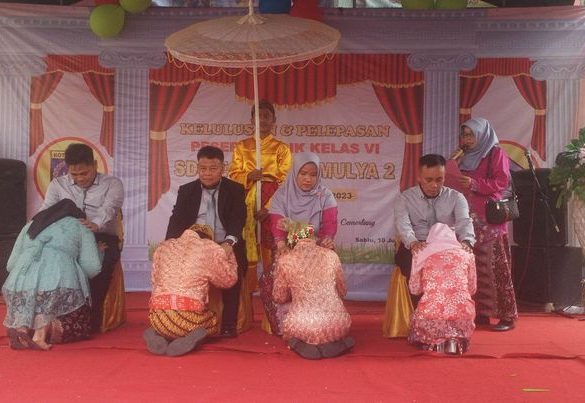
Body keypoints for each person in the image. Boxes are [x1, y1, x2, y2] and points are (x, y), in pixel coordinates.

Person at [40, 143, 124, 332]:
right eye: (74, 174)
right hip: (66, 239)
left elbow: (109, 209)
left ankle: (89, 322)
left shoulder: (112, 184)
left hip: (100, 236)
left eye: (84, 173)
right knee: (48, 263)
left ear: (95, 164)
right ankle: (51, 319)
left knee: (96, 267)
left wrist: (96, 224)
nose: (79, 179)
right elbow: (46, 211)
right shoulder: (57, 185)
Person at [165, 145, 247, 338]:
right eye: (203, 168)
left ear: (222, 168)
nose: (207, 173)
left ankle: (228, 325)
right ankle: (183, 321)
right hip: (195, 246)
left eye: (213, 168)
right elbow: (176, 220)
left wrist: (228, 243)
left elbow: (238, 220)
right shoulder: (187, 190)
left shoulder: (235, 190)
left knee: (230, 272)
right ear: (197, 168)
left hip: (224, 243)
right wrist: (170, 243)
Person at [2, 199, 103, 350]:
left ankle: (21, 330)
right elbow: (92, 268)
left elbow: (10, 265)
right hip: (59, 281)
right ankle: (40, 336)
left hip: (18, 283)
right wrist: (99, 253)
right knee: (68, 314)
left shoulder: (30, 225)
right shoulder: (81, 225)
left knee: (32, 301)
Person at [454, 118, 518, 331]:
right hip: (467, 218)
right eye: (464, 135)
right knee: (473, 268)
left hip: (489, 220)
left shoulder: (495, 153)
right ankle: (481, 312)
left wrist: (474, 184)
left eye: (471, 135)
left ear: (482, 135)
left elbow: (501, 182)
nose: (467, 139)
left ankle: (507, 316)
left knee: (494, 267)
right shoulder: (462, 156)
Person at [264, 152, 338, 335]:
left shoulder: (325, 195)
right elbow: (278, 226)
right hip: (288, 247)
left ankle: (319, 323)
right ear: (295, 172)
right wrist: (282, 244)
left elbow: (329, 226)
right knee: (273, 278)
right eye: (303, 173)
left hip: (317, 248)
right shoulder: (281, 195)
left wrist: (326, 239)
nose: (308, 179)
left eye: (313, 174)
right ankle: (284, 325)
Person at [143, 224, 238, 356]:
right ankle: (190, 336)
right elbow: (228, 280)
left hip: (157, 317)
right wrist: (229, 254)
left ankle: (157, 333)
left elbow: (154, 280)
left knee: (165, 322)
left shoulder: (163, 246)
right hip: (188, 319)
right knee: (213, 321)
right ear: (208, 238)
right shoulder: (208, 248)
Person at [228, 99, 292, 292]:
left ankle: (272, 294)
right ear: (251, 120)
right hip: (246, 200)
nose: (262, 120)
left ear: (274, 120)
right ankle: (247, 295)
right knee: (247, 245)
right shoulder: (242, 146)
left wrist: (269, 207)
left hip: (272, 200)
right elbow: (233, 175)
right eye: (258, 116)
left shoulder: (281, 148)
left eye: (266, 116)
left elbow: (286, 181)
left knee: (271, 245)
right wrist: (248, 176)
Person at [272, 222, 353, 360]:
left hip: (303, 325)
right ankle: (334, 342)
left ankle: (303, 343)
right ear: (313, 236)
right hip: (338, 322)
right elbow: (343, 291)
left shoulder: (285, 260)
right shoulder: (331, 255)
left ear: (291, 239)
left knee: (288, 313)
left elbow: (279, 297)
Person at [394, 154, 475, 283]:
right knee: (413, 265)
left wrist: (466, 241)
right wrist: (413, 243)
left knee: (459, 264)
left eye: (439, 180)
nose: (434, 185)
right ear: (419, 177)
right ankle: (421, 297)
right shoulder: (405, 198)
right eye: (429, 180)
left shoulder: (456, 197)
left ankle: (451, 296)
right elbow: (403, 224)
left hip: (447, 246)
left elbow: (464, 222)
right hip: (418, 243)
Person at [408, 223, 477, 355]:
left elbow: (414, 289)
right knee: (463, 306)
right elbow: (472, 288)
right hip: (463, 314)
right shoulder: (467, 254)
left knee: (420, 315)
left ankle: (435, 342)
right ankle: (454, 340)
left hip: (431, 314)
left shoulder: (420, 254)